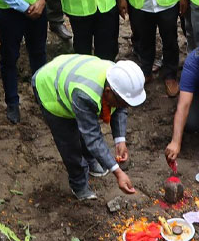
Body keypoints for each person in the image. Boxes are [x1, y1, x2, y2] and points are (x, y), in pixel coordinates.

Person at [33, 54, 146, 200]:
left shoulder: (115, 77)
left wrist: (120, 140)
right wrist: (118, 172)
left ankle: (91, 160)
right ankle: (79, 184)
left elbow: (120, 109)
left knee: (85, 129)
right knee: (70, 142)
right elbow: (93, 137)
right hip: (49, 88)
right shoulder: (85, 95)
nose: (125, 106)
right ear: (108, 92)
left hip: (68, 75)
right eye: (123, 102)